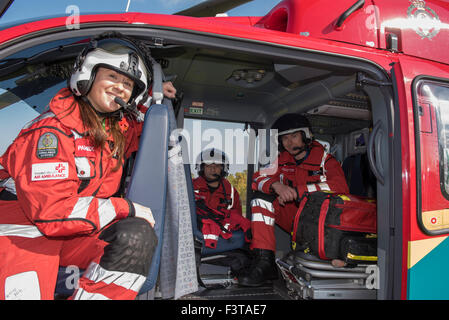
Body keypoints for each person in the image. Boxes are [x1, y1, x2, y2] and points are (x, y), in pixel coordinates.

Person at [0, 34, 176, 300]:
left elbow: (148, 134)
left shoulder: (115, 132)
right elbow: (52, 213)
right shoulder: (51, 131)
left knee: (136, 237)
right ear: (88, 75)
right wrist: (125, 207)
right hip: (25, 233)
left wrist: (157, 97)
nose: (120, 88)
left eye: (128, 84)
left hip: (73, 232)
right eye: (113, 77)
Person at [237, 113, 349, 287]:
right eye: (285, 138)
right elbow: (257, 179)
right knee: (260, 198)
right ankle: (265, 262)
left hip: (317, 222)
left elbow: (340, 187)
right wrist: (276, 185)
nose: (290, 143)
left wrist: (299, 192)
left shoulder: (325, 162)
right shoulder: (281, 161)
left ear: (306, 136)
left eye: (294, 136)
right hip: (292, 219)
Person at [193, 148, 251, 250]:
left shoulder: (231, 191)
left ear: (223, 168)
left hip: (223, 237)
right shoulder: (191, 187)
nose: (212, 169)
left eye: (217, 166)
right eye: (208, 165)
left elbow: (237, 217)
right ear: (202, 167)